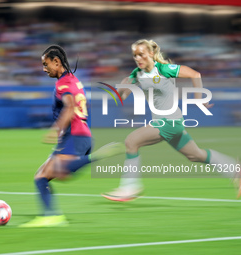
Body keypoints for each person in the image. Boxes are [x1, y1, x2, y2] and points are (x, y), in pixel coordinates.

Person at [101, 39, 239, 202]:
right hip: (169, 123)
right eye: (135, 55)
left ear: (151, 54)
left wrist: (198, 98)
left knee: (131, 141)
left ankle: (130, 187)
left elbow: (195, 74)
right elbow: (122, 96)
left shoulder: (165, 69)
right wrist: (121, 88)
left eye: (141, 54)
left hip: (168, 121)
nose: (138, 58)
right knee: (196, 155)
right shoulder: (136, 74)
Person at [19, 45, 123, 228]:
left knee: (57, 172)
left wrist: (55, 129)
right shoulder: (74, 80)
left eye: (46, 64)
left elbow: (69, 106)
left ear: (56, 62)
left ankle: (96, 157)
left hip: (74, 137)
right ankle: (52, 216)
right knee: (41, 176)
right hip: (80, 136)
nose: (44, 69)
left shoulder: (63, 84)